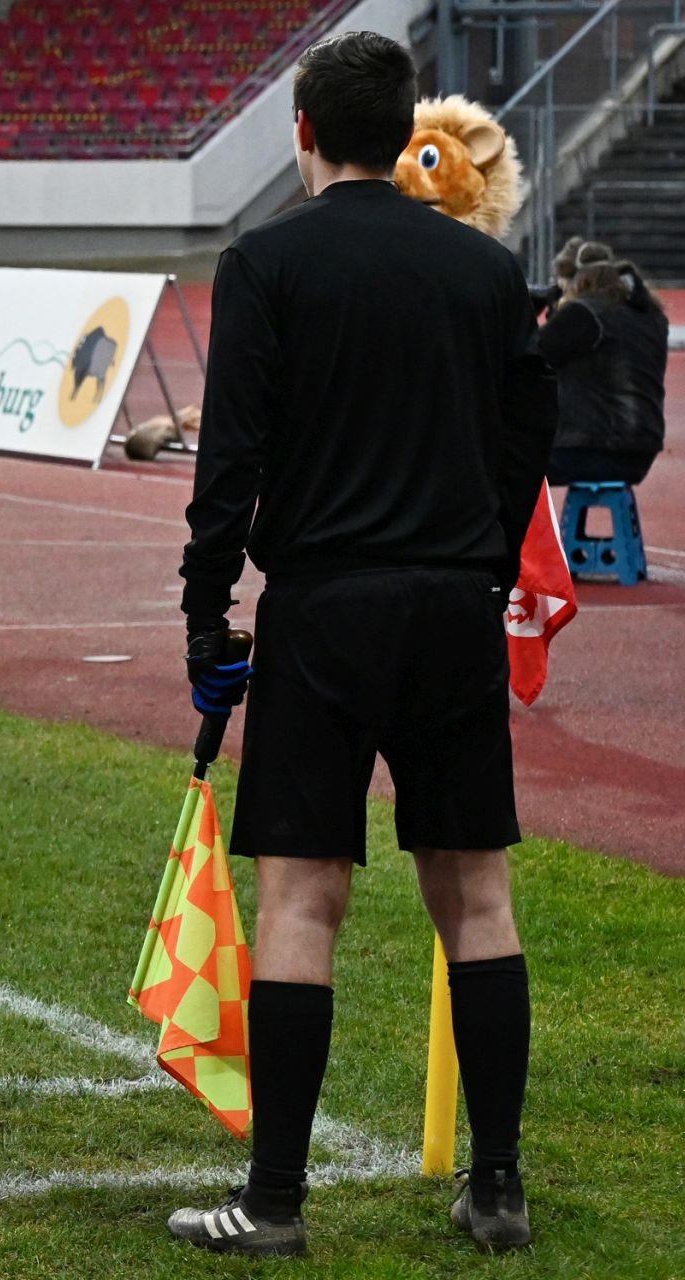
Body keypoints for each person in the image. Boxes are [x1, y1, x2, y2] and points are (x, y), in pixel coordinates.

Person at [170, 33, 557, 1256]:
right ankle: (497, 1188)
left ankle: (275, 1200)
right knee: (477, 894)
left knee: (302, 898)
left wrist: (204, 615)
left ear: (300, 131)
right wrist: (481, 572)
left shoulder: (267, 261)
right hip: (450, 607)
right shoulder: (485, 274)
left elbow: (228, 466)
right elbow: (517, 453)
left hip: (325, 609)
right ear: (404, 137)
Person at [536, 245, 669, 486]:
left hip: (591, 448)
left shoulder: (585, 313)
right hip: (639, 451)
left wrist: (530, 310)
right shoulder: (652, 316)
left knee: (495, 460)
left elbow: (532, 356)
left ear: (578, 283)